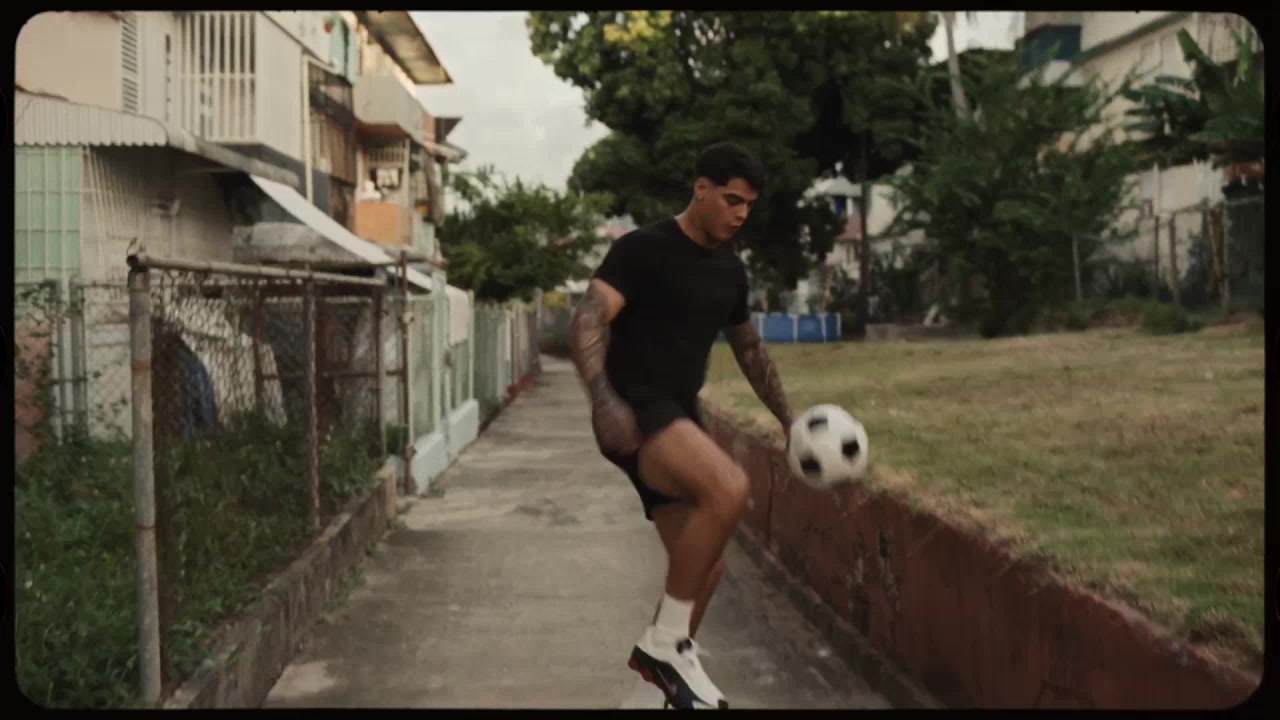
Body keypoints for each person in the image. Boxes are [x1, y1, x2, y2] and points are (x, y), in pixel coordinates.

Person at [567, 142, 793, 710]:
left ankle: (650, 695)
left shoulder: (730, 270)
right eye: (732, 200)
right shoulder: (643, 249)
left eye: (749, 206)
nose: (741, 214)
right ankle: (665, 647)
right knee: (729, 488)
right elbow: (588, 319)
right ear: (701, 188)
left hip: (678, 412)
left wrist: (789, 419)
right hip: (636, 407)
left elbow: (749, 349)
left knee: (702, 566)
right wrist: (602, 400)